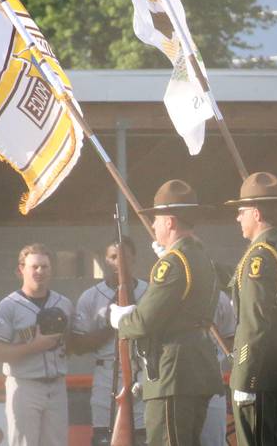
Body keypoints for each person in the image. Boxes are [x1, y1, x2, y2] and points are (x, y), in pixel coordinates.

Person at [109, 179, 223, 445]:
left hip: (173, 374)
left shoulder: (173, 262)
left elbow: (145, 320)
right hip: (196, 369)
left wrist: (122, 320)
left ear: (170, 222)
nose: (155, 225)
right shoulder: (200, 255)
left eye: (158, 219)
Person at [224, 172, 277, 446]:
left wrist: (245, 376)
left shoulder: (260, 256)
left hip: (258, 370)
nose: (238, 218)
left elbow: (254, 323)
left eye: (241, 211)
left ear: (256, 214)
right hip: (276, 367)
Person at [0, 243, 73, 446]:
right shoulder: (7, 306)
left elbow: (72, 344)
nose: (40, 271)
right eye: (34, 266)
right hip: (25, 384)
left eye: (44, 266)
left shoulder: (64, 304)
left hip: (57, 384)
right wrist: (35, 346)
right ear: (21, 270)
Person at [72, 236, 148, 446]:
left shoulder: (149, 292)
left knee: (143, 437)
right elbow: (78, 346)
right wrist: (112, 324)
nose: (118, 262)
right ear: (106, 260)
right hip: (106, 374)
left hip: (142, 372)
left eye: (124, 257)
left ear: (134, 258)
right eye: (113, 257)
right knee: (105, 437)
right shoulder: (90, 297)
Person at [200, 290, 236, 446]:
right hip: (179, 384)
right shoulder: (169, 292)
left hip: (213, 383)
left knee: (214, 440)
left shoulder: (219, 297)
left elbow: (229, 338)